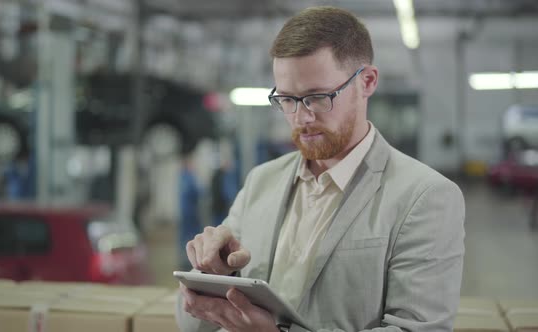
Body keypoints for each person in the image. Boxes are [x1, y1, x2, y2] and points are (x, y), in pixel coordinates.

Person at [176, 6, 465, 332]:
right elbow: (191, 325)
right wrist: (208, 275)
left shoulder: (424, 197)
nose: (301, 117)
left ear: (366, 81)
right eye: (287, 99)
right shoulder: (262, 181)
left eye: (317, 97)